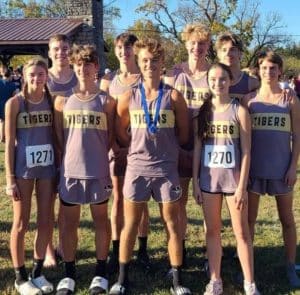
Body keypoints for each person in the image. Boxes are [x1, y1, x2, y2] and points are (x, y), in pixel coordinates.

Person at [109, 38, 191, 295]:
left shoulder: (174, 96)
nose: (149, 65)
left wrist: (166, 149)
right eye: (144, 60)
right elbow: (120, 131)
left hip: (166, 169)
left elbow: (184, 133)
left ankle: (177, 280)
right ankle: (122, 279)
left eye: (154, 61)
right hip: (137, 168)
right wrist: (136, 147)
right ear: (138, 62)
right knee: (130, 224)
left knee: (172, 223)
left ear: (162, 63)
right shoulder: (128, 97)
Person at [193, 62, 260, 295]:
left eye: (222, 79)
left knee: (241, 233)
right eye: (213, 79)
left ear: (230, 81)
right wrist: (195, 181)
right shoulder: (204, 111)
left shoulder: (239, 110)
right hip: (209, 181)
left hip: (234, 182)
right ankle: (215, 280)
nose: (218, 83)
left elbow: (247, 151)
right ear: (208, 81)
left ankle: (250, 283)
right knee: (212, 231)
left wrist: (242, 186)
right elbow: (199, 149)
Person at [54, 45, 115, 295]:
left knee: (101, 220)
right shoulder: (62, 101)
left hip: (98, 172)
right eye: (78, 65)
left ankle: (100, 272)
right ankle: (69, 273)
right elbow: (60, 138)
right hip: (70, 172)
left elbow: (111, 136)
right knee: (69, 224)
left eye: (87, 64)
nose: (82, 69)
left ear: (95, 67)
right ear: (73, 66)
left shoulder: (107, 101)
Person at [245, 51, 300, 288]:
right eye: (264, 68)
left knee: (287, 220)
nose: (268, 72)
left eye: (273, 68)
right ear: (258, 70)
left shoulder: (291, 99)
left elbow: (297, 136)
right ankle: (248, 268)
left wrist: (292, 167)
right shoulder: (249, 100)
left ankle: (290, 265)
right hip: (254, 169)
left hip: (281, 168)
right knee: (249, 221)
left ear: (280, 70)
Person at [100, 33, 150, 272]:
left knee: (141, 201)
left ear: (136, 50)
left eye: (128, 47)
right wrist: (113, 145)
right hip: (117, 148)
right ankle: (116, 247)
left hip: (142, 148)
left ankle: (142, 249)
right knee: (118, 198)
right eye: (119, 47)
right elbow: (107, 118)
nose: (123, 52)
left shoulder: (146, 77)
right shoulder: (108, 82)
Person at [5, 58, 55, 295]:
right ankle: (20, 276)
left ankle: (37, 271)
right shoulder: (15, 103)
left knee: (45, 220)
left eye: (41, 74)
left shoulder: (52, 101)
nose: (36, 79)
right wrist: (9, 179)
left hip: (47, 168)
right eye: (32, 74)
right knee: (21, 222)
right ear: (24, 76)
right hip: (23, 169)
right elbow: (8, 146)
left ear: (46, 76)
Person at [164, 23, 211, 264]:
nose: (197, 47)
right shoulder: (173, 73)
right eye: (193, 43)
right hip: (180, 142)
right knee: (179, 199)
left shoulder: (214, 73)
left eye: (202, 43)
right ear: (186, 44)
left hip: (208, 143)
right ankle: (180, 248)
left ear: (208, 46)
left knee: (208, 201)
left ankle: (209, 250)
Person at [45, 33, 78, 267]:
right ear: (49, 53)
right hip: (46, 145)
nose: (61, 52)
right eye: (56, 49)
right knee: (47, 200)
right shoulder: (40, 78)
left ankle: (62, 244)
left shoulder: (79, 78)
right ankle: (47, 251)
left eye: (65, 48)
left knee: (66, 200)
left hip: (73, 146)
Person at [215, 31, 260, 101]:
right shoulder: (211, 82)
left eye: (232, 49)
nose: (228, 53)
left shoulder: (252, 83)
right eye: (224, 50)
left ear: (240, 53)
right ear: (218, 54)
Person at [0, 69, 17, 142]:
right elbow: (15, 95)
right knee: (6, 121)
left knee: (1, 122)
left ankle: (1, 138)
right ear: (10, 75)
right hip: (7, 104)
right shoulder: (12, 85)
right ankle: (5, 137)